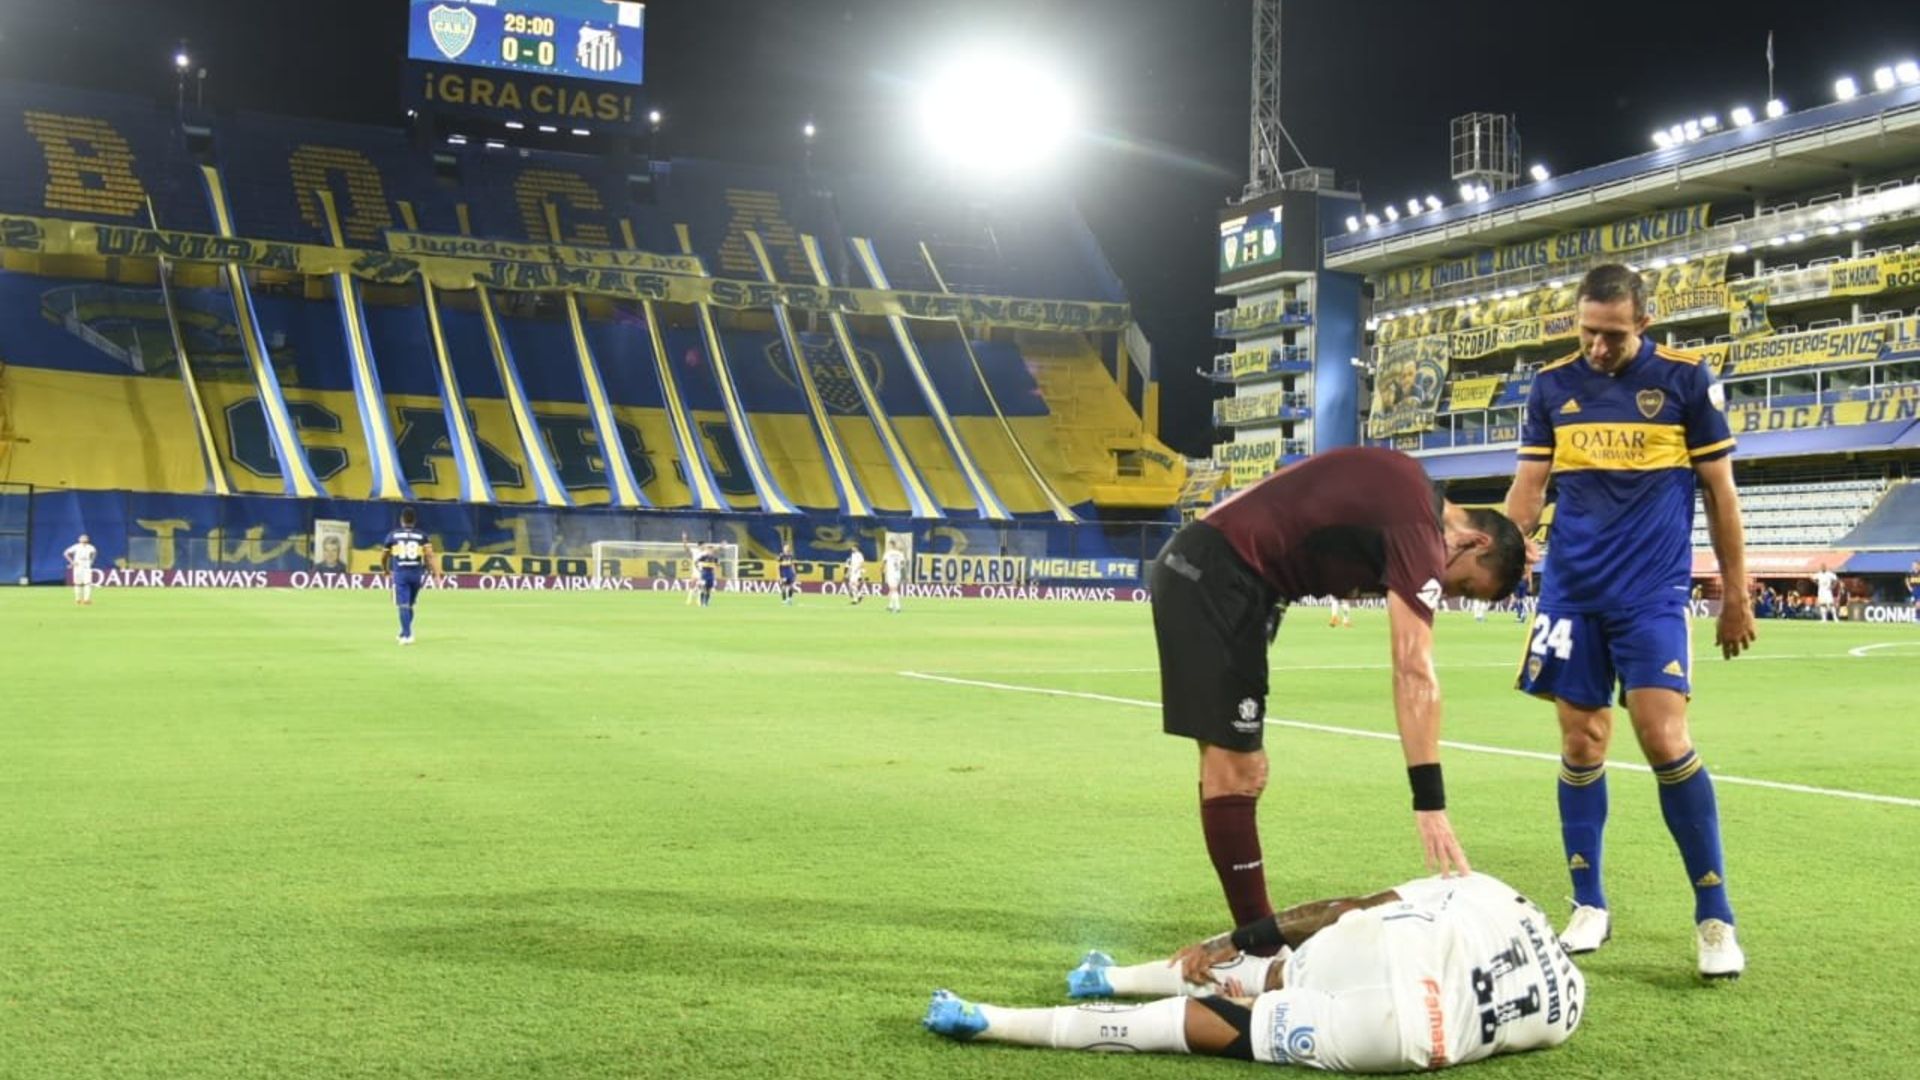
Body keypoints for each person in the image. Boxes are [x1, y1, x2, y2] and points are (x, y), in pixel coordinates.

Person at [1151, 446, 1527, 933]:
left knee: (1245, 769)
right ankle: (1256, 948)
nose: (1451, 595)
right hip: (1217, 576)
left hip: (1231, 578)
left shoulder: (1409, 496)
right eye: (1467, 588)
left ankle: (1254, 937)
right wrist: (1429, 802)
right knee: (1237, 770)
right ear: (1474, 542)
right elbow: (1413, 669)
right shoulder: (1418, 526)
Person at [1503, 263, 1753, 979]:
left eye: (1611, 335)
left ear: (1643, 323)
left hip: (1651, 593)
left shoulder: (1684, 380)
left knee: (1662, 736)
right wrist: (1502, 555)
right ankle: (1588, 904)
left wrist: (1733, 591)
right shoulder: (1553, 386)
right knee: (1582, 740)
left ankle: (1714, 918)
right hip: (1571, 593)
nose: (1598, 347)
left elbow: (1720, 491)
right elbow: (1528, 487)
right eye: (1587, 331)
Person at [924, 871, 1584, 1072]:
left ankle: (1113, 979)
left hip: (1388, 960)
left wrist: (1228, 938)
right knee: (1212, 1028)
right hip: (1408, 1041)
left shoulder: (1484, 888)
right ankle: (992, 1022)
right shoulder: (1568, 1011)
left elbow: (1351, 909)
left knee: (1280, 965)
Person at [381, 509, 435, 645]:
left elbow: (384, 556)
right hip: (417, 574)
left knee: (403, 605)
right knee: (409, 605)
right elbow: (429, 556)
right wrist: (433, 572)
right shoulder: (422, 536)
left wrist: (385, 569)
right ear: (414, 521)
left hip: (401, 573)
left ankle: (408, 635)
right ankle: (403, 631)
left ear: (402, 520)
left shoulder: (393, 536)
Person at [64, 533, 98, 606]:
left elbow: (94, 553)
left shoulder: (91, 547)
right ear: (79, 540)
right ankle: (78, 599)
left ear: (88, 540)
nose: (84, 539)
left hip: (86, 565)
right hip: (78, 565)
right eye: (82, 538)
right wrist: (72, 562)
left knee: (87, 583)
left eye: (85, 538)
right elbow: (65, 553)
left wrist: (92, 561)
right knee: (77, 583)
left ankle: (87, 600)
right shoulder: (76, 547)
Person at [882, 540, 907, 613]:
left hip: (891, 573)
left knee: (893, 590)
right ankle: (890, 606)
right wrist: (899, 568)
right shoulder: (900, 553)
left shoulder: (888, 553)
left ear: (891, 545)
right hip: (897, 574)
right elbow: (902, 564)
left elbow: (884, 562)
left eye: (889, 545)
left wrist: (882, 569)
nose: (888, 546)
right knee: (892, 590)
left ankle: (898, 607)